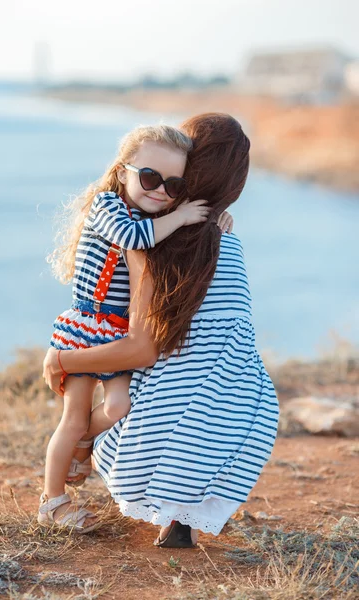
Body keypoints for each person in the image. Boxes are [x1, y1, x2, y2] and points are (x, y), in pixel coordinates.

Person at [43, 113, 279, 546]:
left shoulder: (157, 241)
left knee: (126, 403)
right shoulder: (219, 241)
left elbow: (142, 350)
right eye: (150, 177)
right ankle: (64, 498)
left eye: (173, 182)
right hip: (251, 413)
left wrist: (60, 359)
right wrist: (211, 216)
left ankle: (81, 458)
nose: (161, 190)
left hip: (161, 417)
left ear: (189, 177)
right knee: (90, 413)